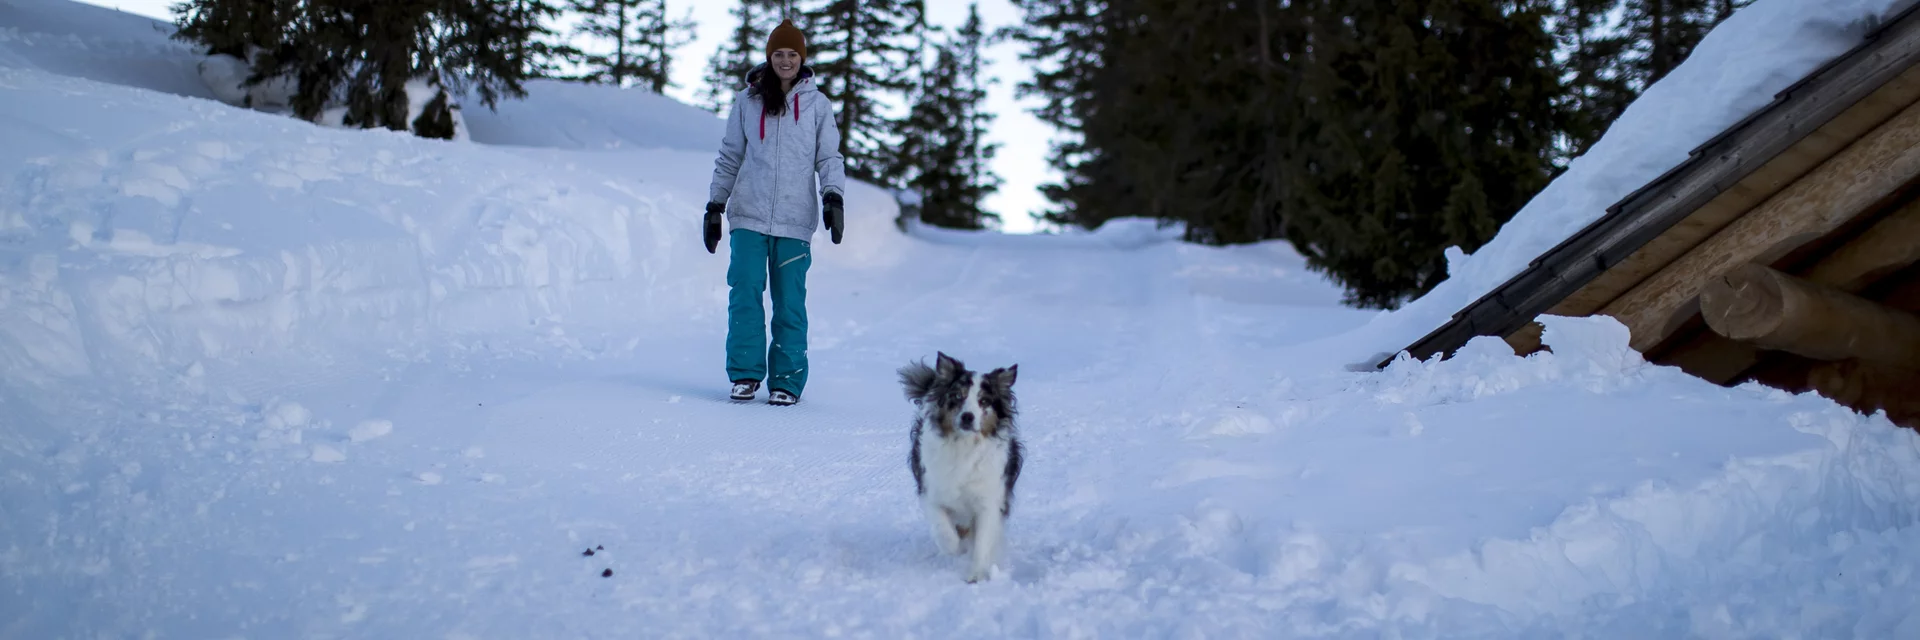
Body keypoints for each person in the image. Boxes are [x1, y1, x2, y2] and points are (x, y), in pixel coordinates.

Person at [705, 19, 846, 406]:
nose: (786, 61)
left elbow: (828, 156)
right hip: (748, 215)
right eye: (779, 54)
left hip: (795, 221)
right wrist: (716, 204)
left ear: (802, 58)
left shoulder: (818, 105)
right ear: (770, 57)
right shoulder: (747, 101)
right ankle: (746, 375)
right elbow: (730, 156)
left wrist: (833, 196)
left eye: (792, 54)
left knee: (789, 303)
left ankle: (786, 380)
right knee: (745, 294)